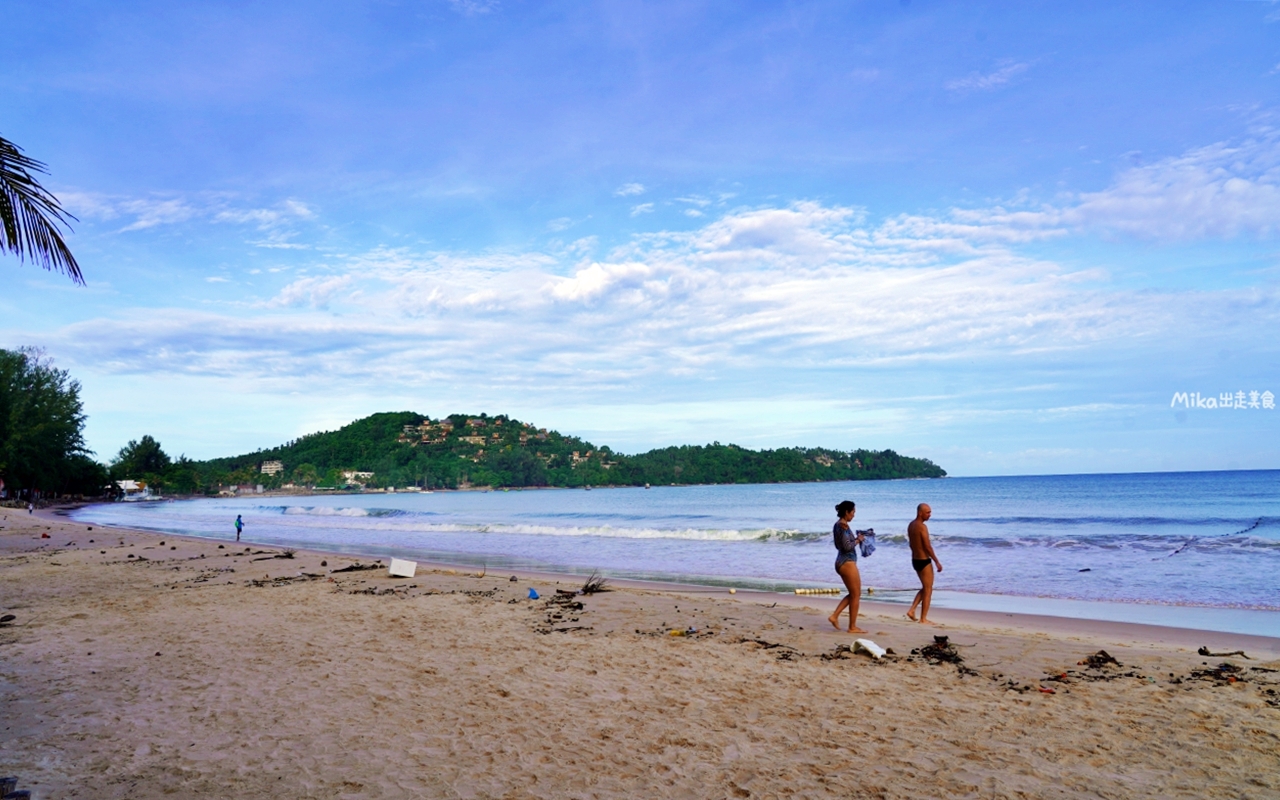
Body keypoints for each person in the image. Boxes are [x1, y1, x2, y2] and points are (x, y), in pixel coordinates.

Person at [827, 500, 867, 633]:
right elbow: (847, 546)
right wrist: (858, 540)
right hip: (847, 562)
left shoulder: (837, 525)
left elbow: (839, 545)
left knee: (853, 594)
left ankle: (834, 616)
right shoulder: (843, 527)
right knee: (856, 594)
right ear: (846, 512)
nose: (854, 515)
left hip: (841, 561)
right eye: (853, 512)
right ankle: (852, 626)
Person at [906, 503, 942, 624]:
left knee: (925, 587)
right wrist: (936, 561)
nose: (929, 515)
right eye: (927, 512)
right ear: (920, 513)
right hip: (924, 561)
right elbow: (927, 546)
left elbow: (911, 544)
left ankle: (912, 610)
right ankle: (923, 618)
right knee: (928, 589)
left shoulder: (911, 525)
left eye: (930, 512)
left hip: (915, 560)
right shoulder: (922, 527)